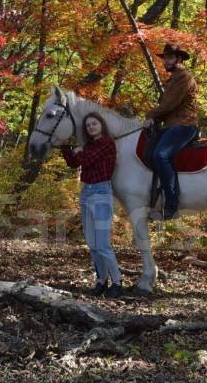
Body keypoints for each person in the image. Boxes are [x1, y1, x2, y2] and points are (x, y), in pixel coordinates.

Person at [61, 112, 123, 299]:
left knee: (103, 244)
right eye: (87, 125)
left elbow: (86, 159)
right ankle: (101, 280)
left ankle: (117, 282)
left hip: (101, 193)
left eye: (94, 124)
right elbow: (73, 163)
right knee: (92, 244)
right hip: (86, 193)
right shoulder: (88, 146)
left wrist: (79, 151)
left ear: (101, 125)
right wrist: (65, 145)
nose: (90, 127)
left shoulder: (106, 143)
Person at [144, 43, 198, 220]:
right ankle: (153, 200)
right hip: (170, 126)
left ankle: (172, 206)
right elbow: (166, 107)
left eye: (169, 58)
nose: (165, 61)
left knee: (161, 155)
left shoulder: (184, 77)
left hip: (184, 124)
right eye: (165, 58)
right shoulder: (174, 78)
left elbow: (170, 105)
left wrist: (151, 115)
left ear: (179, 58)